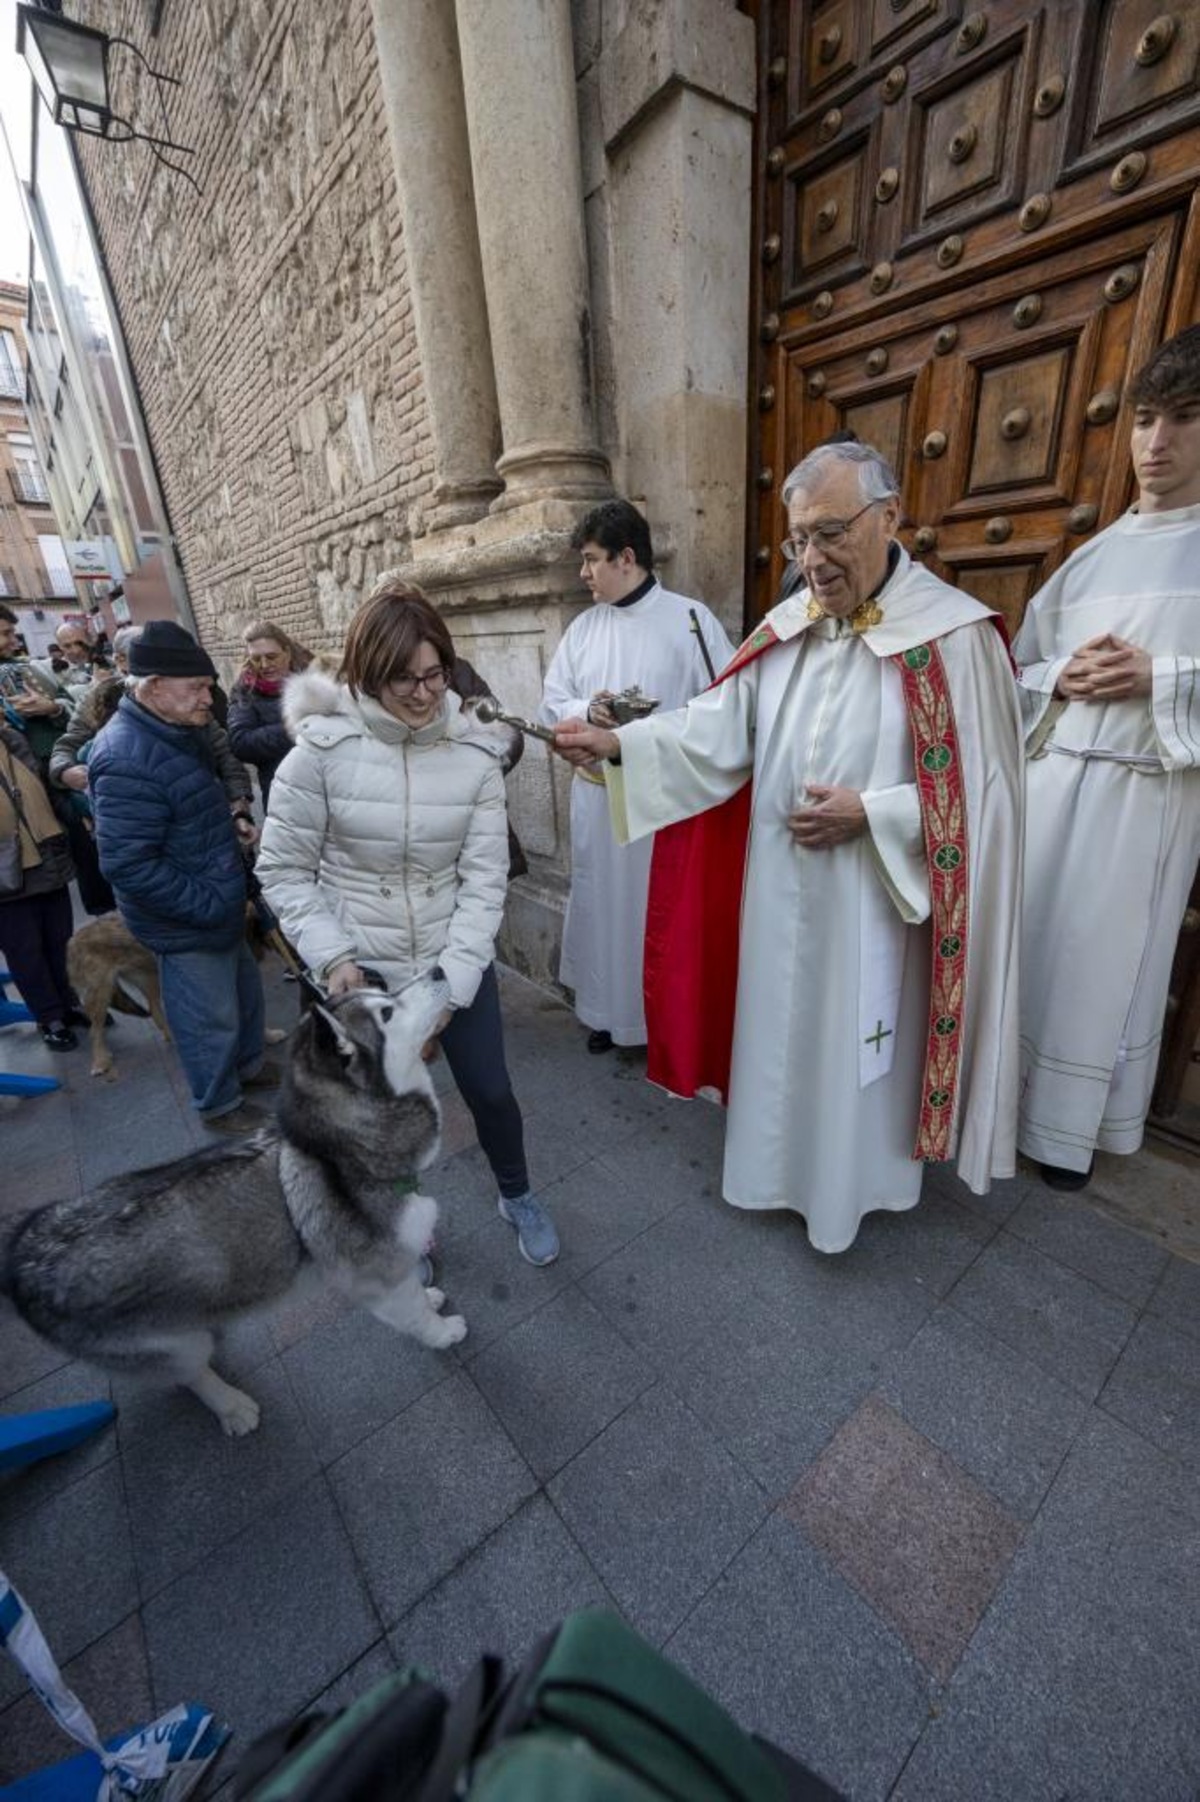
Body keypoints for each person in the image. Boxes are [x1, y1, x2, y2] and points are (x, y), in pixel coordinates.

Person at [552, 442, 1023, 1254]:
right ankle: (770, 1172)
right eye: (799, 539)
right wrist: (622, 746)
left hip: (870, 903)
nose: (811, 560)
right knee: (779, 1034)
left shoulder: (953, 637)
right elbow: (714, 730)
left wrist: (873, 813)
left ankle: (852, 1191)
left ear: (890, 518)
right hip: (776, 894)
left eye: (832, 533)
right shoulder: (788, 627)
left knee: (853, 1043)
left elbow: (989, 794)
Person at [257, 582, 559, 1266]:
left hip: (451, 957)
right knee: (381, 1113)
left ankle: (518, 1193)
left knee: (490, 1090)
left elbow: (484, 878)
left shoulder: (476, 750)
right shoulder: (320, 753)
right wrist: (332, 957)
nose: (424, 695)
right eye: (403, 680)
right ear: (366, 673)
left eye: (434, 675)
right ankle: (404, 1224)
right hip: (361, 969)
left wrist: (454, 984)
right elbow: (283, 870)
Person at [1014, 325, 1200, 1189]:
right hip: (1053, 793)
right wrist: (1062, 678)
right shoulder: (1088, 559)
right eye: (1146, 420)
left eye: (1185, 419)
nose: (1156, 445)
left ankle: (1068, 1134)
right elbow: (1019, 670)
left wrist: (1161, 676)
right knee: (1037, 946)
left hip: (1144, 801)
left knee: (1103, 966)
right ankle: (1003, 1106)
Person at [538, 499, 733, 1053]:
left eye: (592, 560)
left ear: (627, 558)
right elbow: (554, 700)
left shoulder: (692, 620)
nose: (583, 573)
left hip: (660, 800)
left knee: (655, 909)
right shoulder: (583, 628)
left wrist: (642, 738)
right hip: (598, 801)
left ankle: (659, 1020)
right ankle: (606, 1012)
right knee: (604, 908)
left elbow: (721, 710)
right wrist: (586, 710)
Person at [88, 620, 273, 1133]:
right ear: (151, 688)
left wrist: (230, 823)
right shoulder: (124, 756)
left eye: (208, 684)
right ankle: (219, 1104)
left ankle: (250, 1068)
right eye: (195, 687)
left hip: (216, 897)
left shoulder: (174, 728)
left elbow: (190, 805)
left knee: (243, 996)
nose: (207, 697)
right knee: (206, 1017)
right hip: (187, 915)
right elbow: (128, 864)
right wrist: (211, 901)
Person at [0, 722, 82, 1050]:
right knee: (25, 951)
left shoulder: (12, 737)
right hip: (6, 868)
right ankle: (49, 1017)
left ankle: (68, 1003)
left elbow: (40, 782)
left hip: (47, 851)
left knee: (59, 938)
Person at [227, 620, 313, 811]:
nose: (265, 665)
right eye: (256, 659)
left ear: (288, 653)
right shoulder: (244, 691)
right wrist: (293, 728)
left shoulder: (316, 680)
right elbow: (240, 742)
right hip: (283, 798)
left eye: (272, 656)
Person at [52, 622, 95, 688]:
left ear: (87, 640)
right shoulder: (57, 675)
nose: (76, 651)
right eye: (67, 646)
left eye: (79, 643)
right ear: (60, 647)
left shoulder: (107, 663)